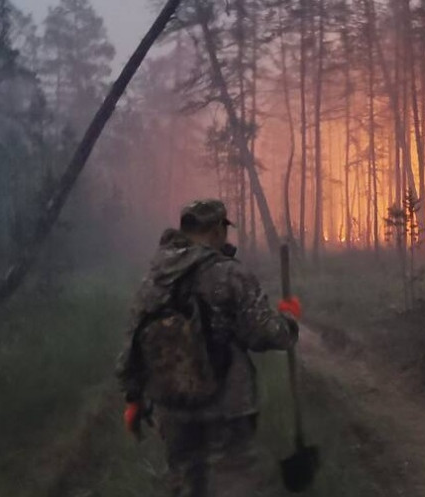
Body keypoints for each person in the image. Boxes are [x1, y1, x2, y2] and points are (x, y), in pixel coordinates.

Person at [116, 199, 301, 497]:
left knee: (185, 482)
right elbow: (264, 334)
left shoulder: (155, 277)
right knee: (233, 483)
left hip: (172, 407)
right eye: (224, 230)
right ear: (216, 229)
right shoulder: (228, 274)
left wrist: (133, 398)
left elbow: (134, 339)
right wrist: (289, 318)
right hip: (226, 406)